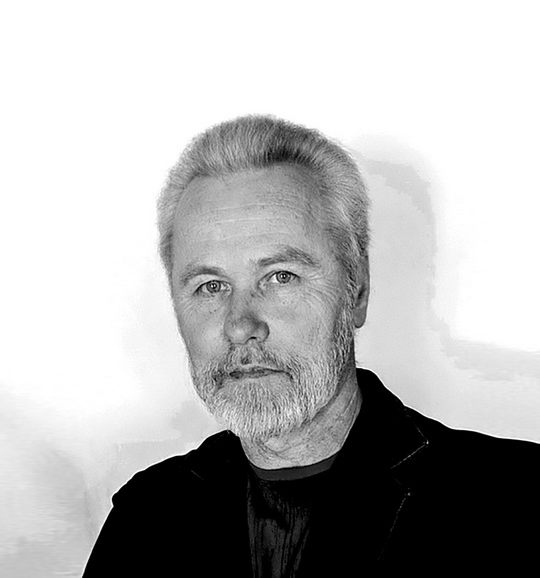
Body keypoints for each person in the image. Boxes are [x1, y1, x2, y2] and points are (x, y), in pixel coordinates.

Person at [83, 115, 539, 576]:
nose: (240, 326)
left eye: (280, 277)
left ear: (356, 289)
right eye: (210, 286)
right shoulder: (146, 517)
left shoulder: (516, 502)